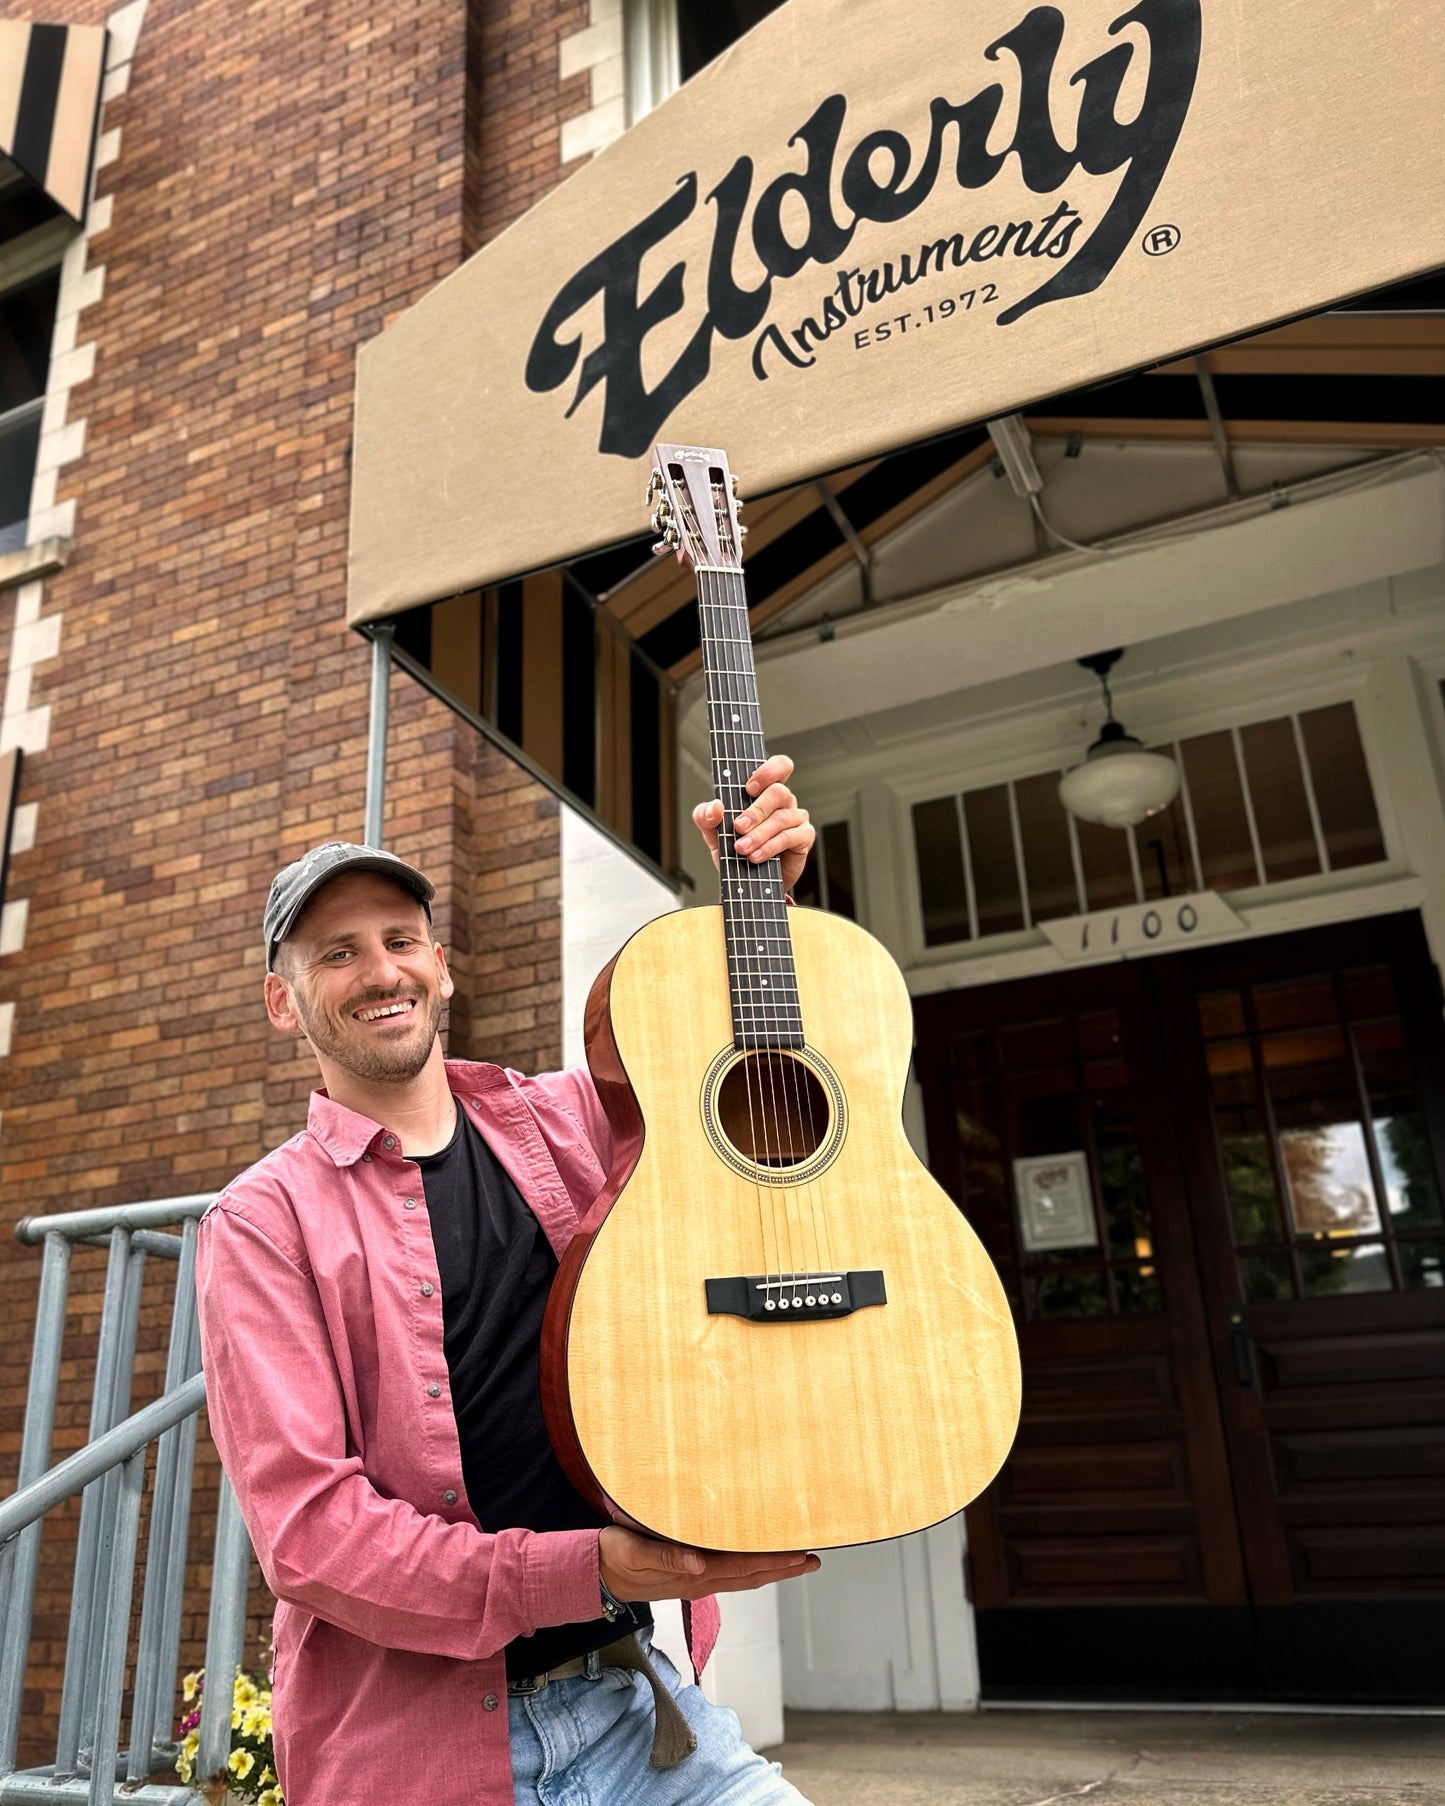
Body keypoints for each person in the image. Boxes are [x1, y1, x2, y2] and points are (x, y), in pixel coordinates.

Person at [194, 755, 820, 1806]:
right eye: (336, 953)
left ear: (440, 963)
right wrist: (596, 1570)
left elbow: (734, 1074)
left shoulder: (571, 1119)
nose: (380, 971)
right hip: (419, 1753)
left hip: (639, 1712)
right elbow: (310, 1537)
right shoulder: (261, 1223)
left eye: (399, 941)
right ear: (280, 1001)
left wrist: (765, 900)